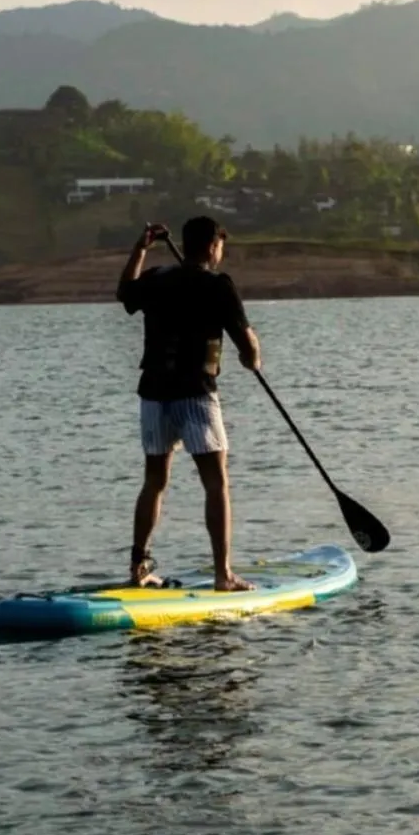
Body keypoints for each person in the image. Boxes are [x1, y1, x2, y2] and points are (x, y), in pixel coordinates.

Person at [117, 216, 262, 591]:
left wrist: (141, 247)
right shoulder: (218, 285)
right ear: (214, 246)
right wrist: (253, 360)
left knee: (154, 482)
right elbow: (247, 347)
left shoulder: (156, 278)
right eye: (221, 246)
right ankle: (223, 575)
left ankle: (138, 570)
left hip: (153, 393)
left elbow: (125, 292)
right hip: (196, 393)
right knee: (216, 483)